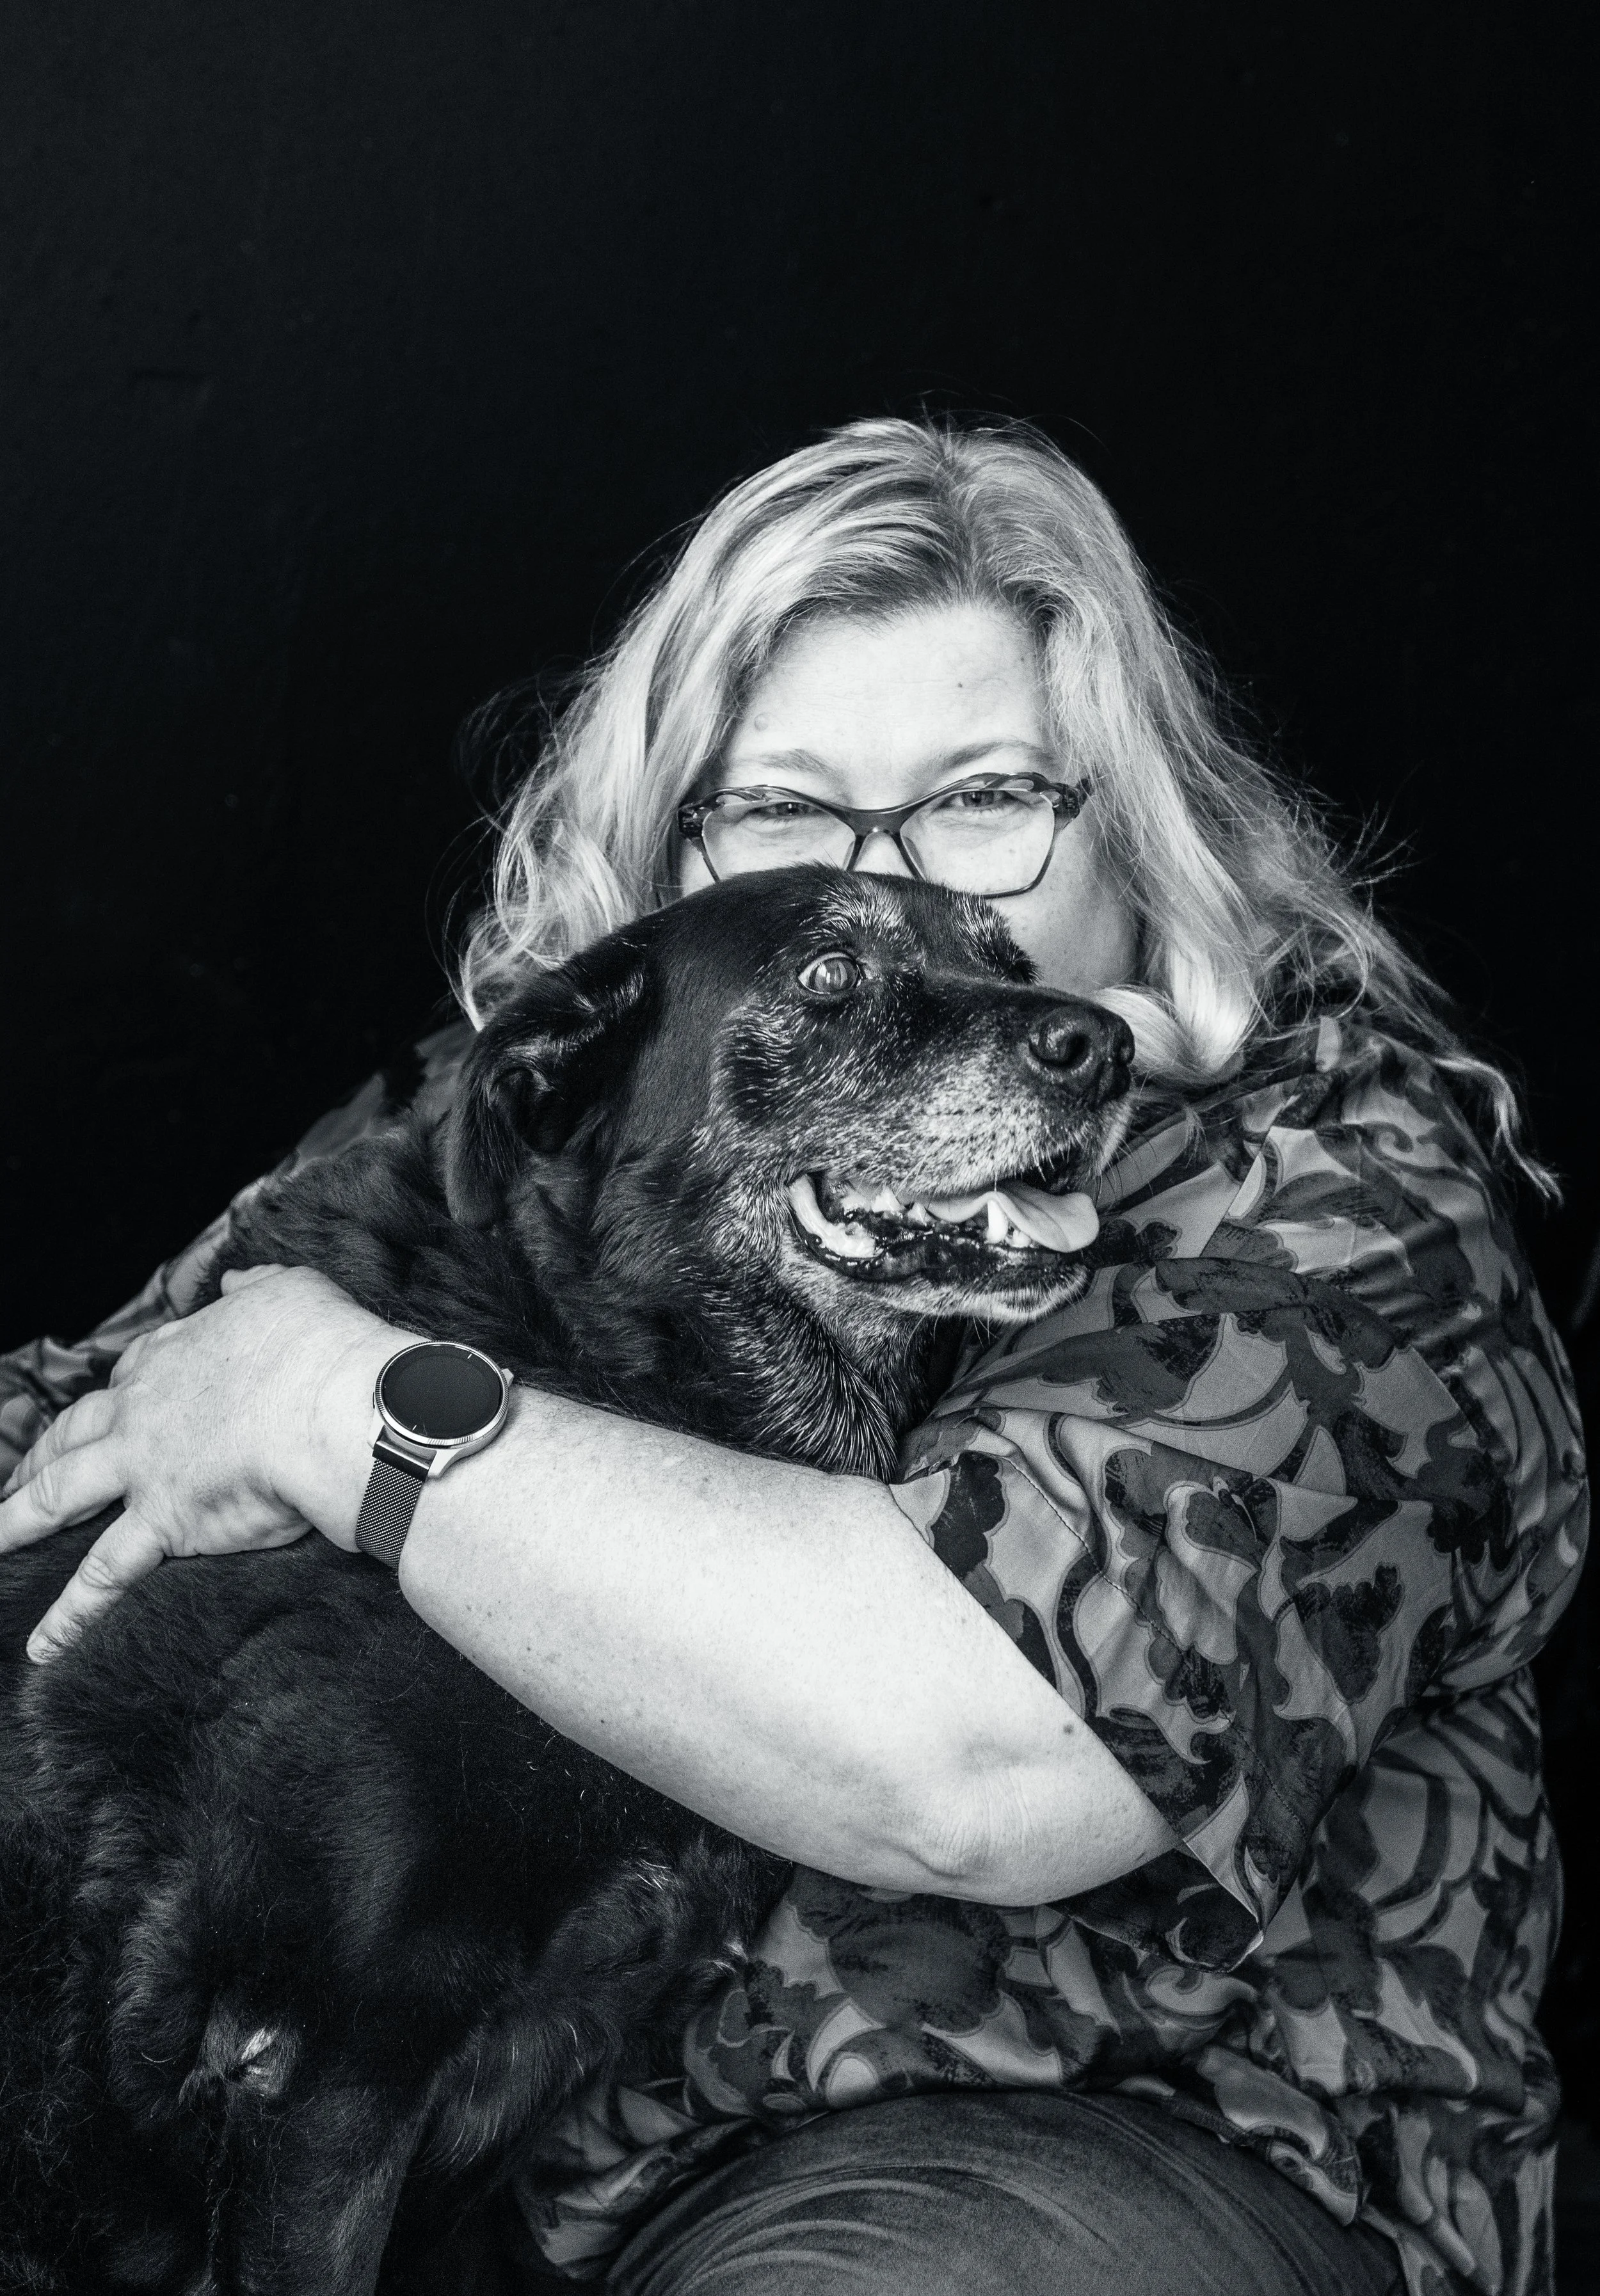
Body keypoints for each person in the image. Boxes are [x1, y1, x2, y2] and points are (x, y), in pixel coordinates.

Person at [0, 418, 1586, 2296]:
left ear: (1136, 821)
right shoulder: (536, 1107)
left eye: (982, 797)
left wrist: (342, 1407)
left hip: (1048, 2159)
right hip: (483, 2191)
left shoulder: (1335, 1201)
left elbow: (976, 1755)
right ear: (683, 848)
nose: (895, 888)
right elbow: (89, 1429)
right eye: (784, 815)